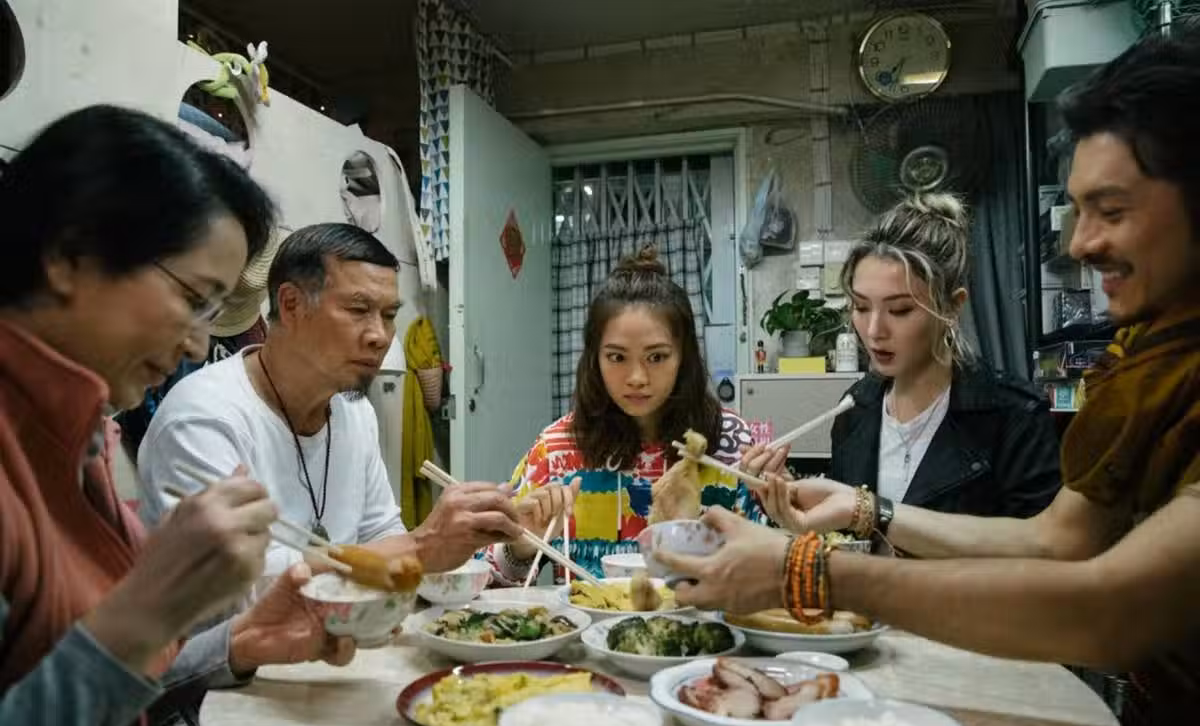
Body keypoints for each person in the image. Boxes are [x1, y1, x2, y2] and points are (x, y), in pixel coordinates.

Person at [658, 26, 1200, 726]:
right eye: (860, 308)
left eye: (1110, 209)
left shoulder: (1015, 411)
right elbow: (1060, 539)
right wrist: (861, 512)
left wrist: (805, 569)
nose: (1080, 243)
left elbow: (1107, 606)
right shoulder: (1154, 362)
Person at [0, 105, 287, 726]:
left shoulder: (83, 427)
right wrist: (154, 604)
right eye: (194, 299)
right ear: (70, 255)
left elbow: (109, 669)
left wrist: (246, 637)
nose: (198, 343)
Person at [138, 223, 543, 580]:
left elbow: (381, 534)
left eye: (389, 315)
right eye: (358, 309)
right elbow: (240, 586)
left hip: (339, 635)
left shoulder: (353, 412)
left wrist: (456, 544)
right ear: (291, 305)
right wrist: (421, 546)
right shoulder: (205, 417)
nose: (380, 336)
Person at [746, 194, 1061, 520]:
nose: (873, 331)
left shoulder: (1015, 417)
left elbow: (1038, 547)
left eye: (899, 310)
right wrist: (795, 501)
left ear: (952, 306)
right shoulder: (857, 409)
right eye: (861, 307)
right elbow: (849, 534)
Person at [488, 246, 765, 584]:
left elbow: (768, 570)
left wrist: (779, 506)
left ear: (685, 357)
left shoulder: (729, 442)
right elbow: (489, 579)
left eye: (657, 357)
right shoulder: (557, 448)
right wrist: (519, 548)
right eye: (617, 357)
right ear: (595, 359)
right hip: (585, 619)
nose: (637, 377)